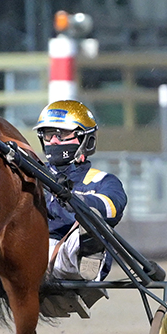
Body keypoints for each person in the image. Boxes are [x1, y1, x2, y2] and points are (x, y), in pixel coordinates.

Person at [33, 100, 127, 286]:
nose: (54, 141)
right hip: (30, 249)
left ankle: (90, 251)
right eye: (49, 134)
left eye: (62, 134)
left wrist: (77, 201)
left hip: (68, 255)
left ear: (86, 140)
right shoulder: (32, 174)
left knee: (89, 225)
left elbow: (113, 207)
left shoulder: (103, 180)